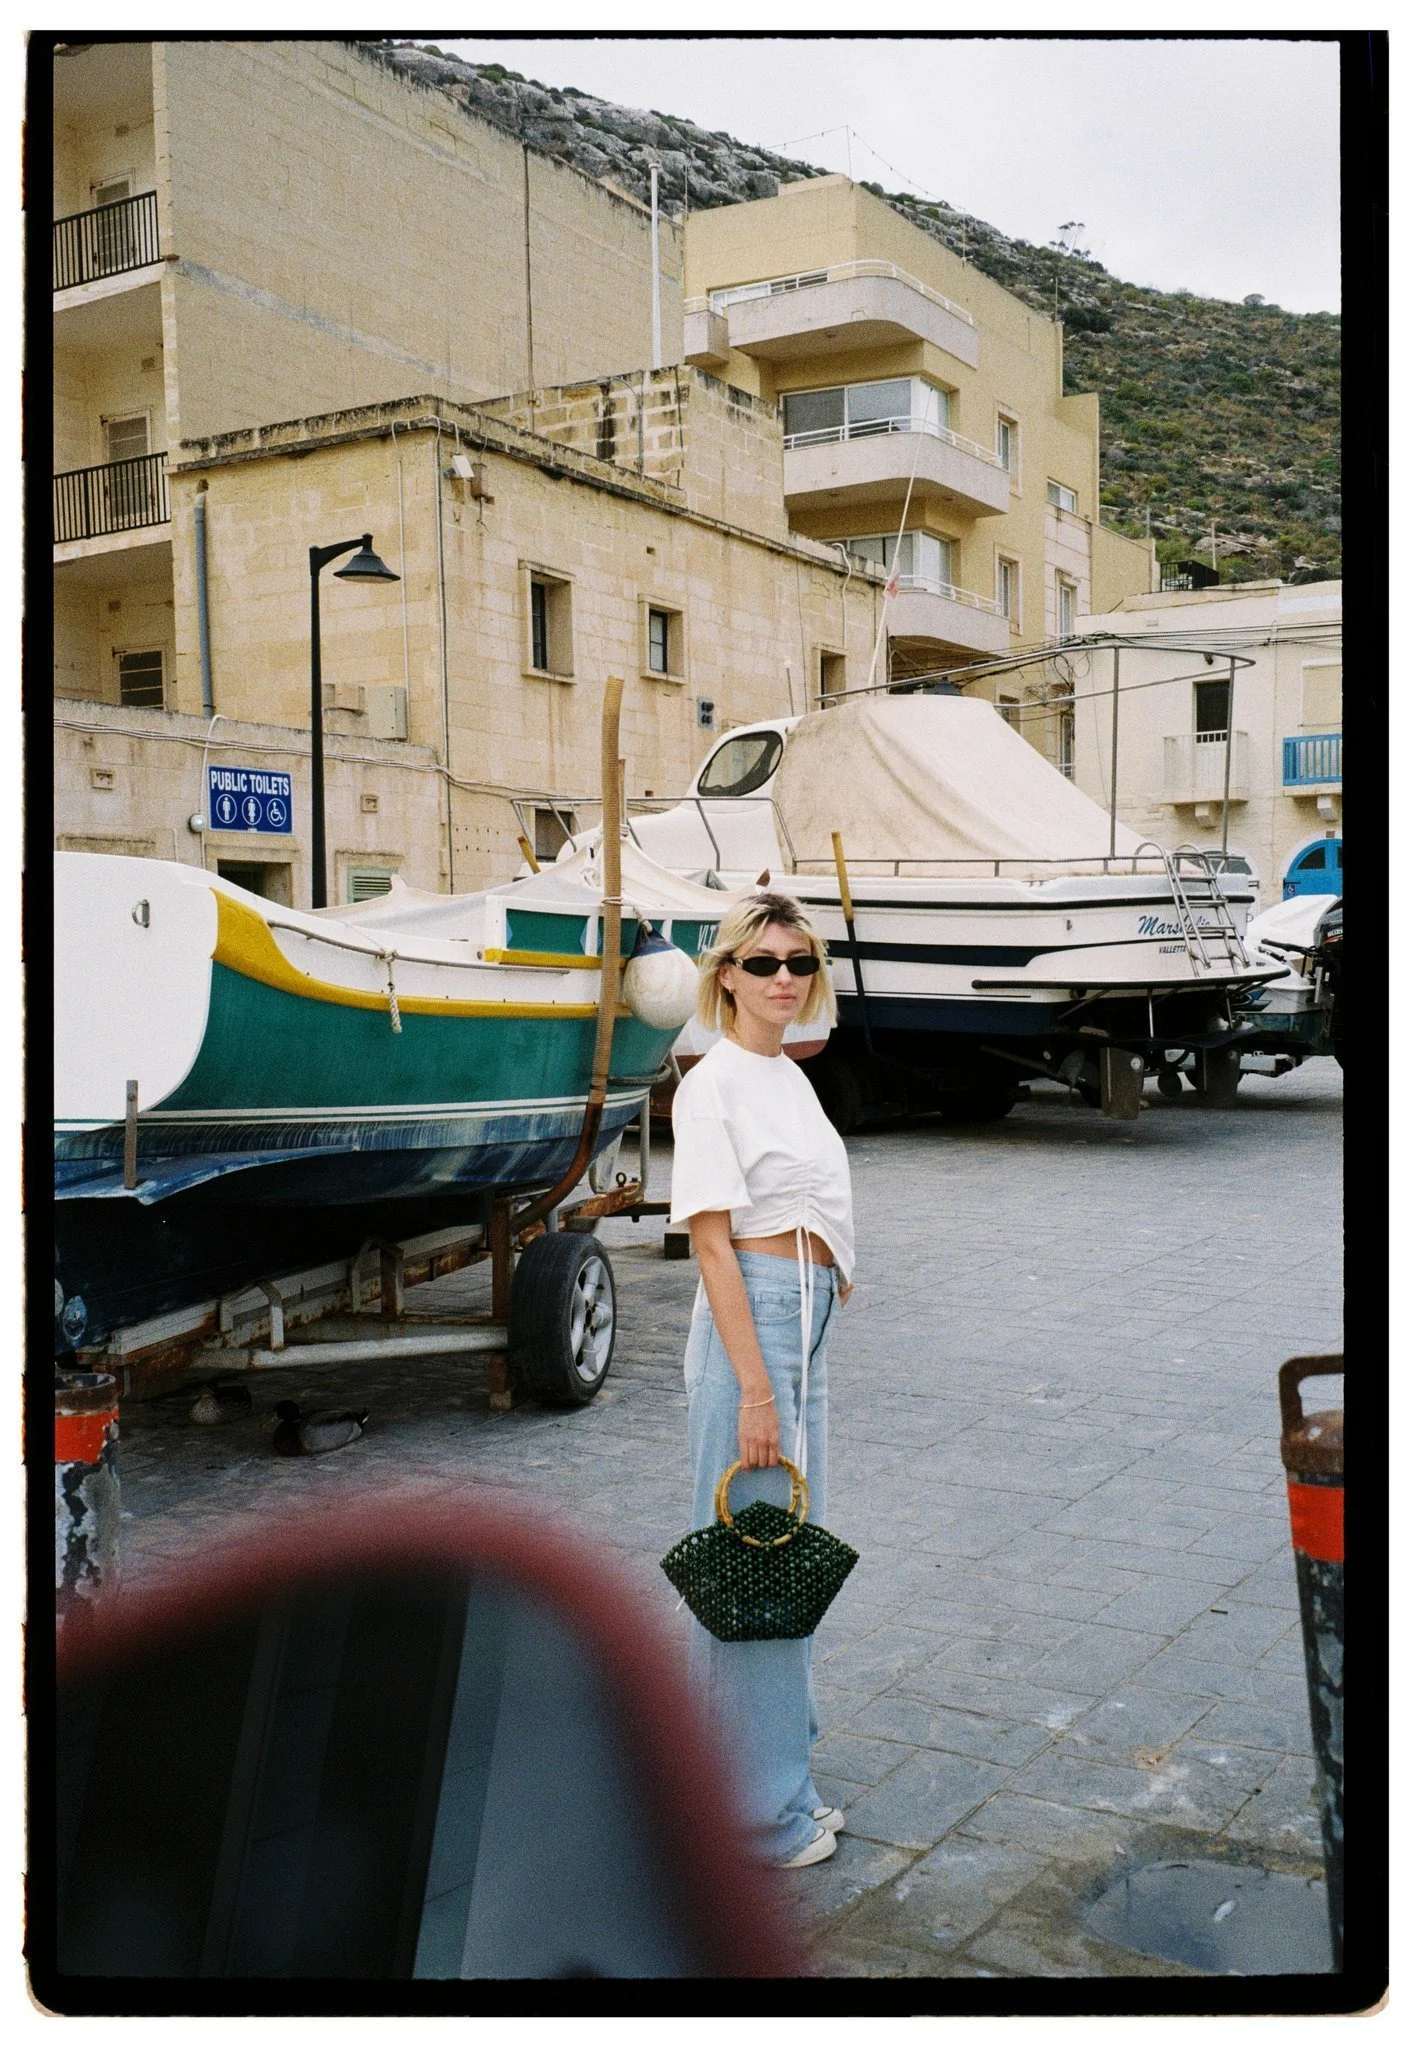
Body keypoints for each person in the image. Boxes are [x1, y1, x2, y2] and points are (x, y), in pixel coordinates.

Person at [669, 891, 855, 1869]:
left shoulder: (785, 1074)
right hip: (756, 1326)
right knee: (756, 1564)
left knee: (773, 1558)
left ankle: (764, 1778)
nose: (784, 977)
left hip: (801, 1323)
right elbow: (711, 1244)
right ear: (727, 976)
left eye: (799, 961)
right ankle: (758, 1817)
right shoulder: (713, 1084)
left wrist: (832, 1278)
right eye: (764, 961)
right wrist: (755, 1387)